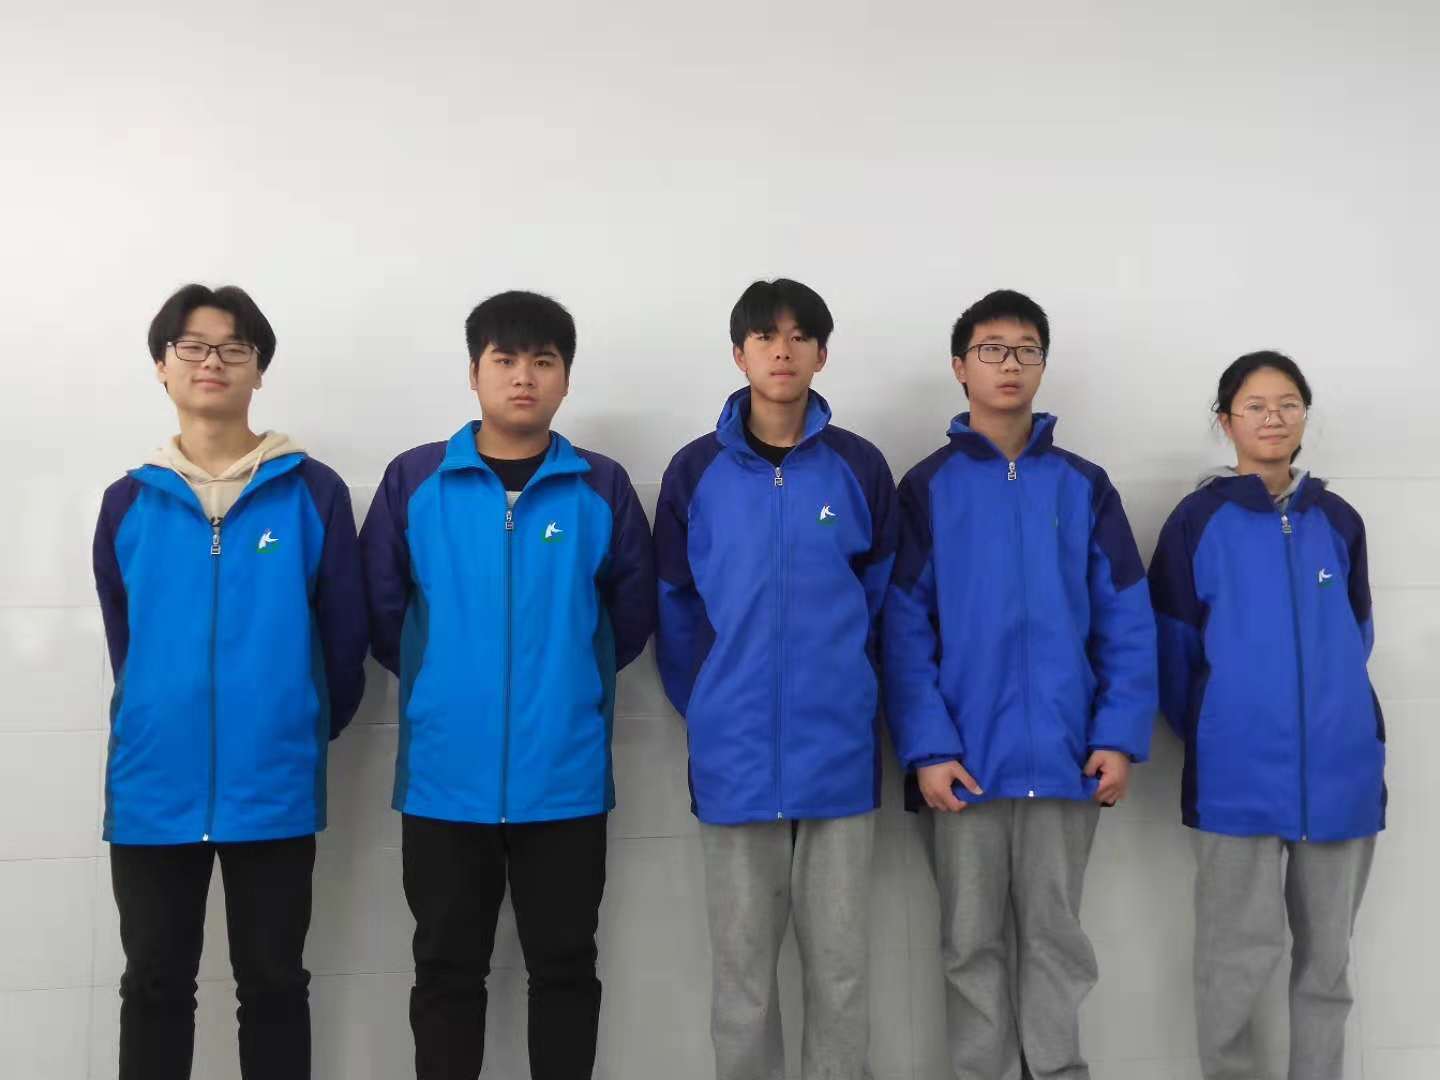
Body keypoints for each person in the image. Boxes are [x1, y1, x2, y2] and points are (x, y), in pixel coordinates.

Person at [359, 289, 656, 1080]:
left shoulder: (601, 487)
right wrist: (444, 685)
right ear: (474, 372)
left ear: (565, 377)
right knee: (445, 970)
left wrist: (566, 685)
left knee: (565, 966)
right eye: (505, 359)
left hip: (563, 775)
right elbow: (383, 613)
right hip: (443, 777)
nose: (524, 376)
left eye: (543, 360)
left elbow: (628, 618)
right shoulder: (415, 480)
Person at [92, 283, 367, 1080]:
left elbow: (343, 637)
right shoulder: (127, 502)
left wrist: (295, 723)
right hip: (153, 785)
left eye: (233, 348)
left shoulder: (312, 492)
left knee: (274, 984)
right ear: (162, 365)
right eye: (192, 346)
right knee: (153, 985)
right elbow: (126, 642)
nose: (211, 361)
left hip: (271, 780)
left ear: (258, 369)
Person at [883, 288, 1157, 1080]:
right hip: (963, 765)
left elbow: (1127, 618)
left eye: (1026, 350)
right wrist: (928, 748)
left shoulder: (1083, 485)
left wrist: (1117, 735)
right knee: (970, 946)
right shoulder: (927, 488)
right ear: (960, 366)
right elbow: (903, 629)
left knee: (1057, 942)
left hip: (1069, 760)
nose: (1010, 364)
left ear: (1042, 365)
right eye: (992, 349)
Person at [654, 278, 897, 1080]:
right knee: (743, 983)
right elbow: (675, 604)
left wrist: (851, 690)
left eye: (799, 337)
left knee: (841, 975)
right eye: (765, 336)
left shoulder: (859, 467)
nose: (782, 351)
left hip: (839, 755)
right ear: (739, 354)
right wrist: (712, 704)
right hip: (735, 757)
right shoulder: (695, 472)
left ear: (822, 354)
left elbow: (882, 600)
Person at [1148, 350, 1384, 1080]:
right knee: (1234, 963)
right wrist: (1222, 728)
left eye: (1288, 403)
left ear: (1305, 415)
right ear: (1226, 421)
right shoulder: (1196, 522)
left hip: (1341, 773)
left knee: (1328, 967)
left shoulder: (1338, 520)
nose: (1273, 417)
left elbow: (1357, 636)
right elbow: (1172, 652)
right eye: (1255, 405)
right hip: (1237, 776)